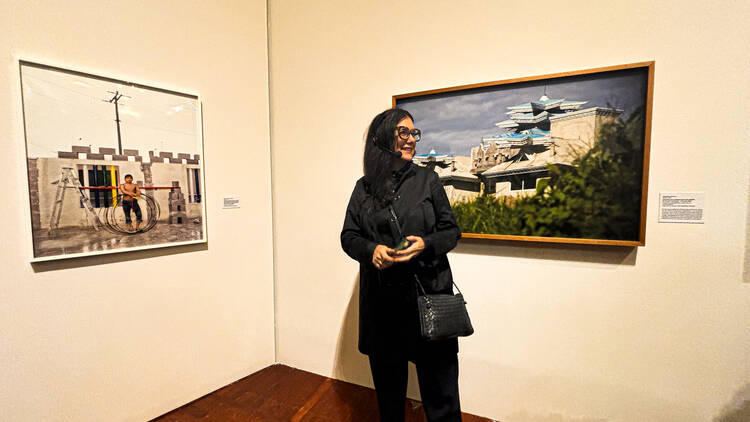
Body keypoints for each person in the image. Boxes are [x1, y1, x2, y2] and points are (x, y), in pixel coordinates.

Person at [341, 108, 463, 422]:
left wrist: (426, 244)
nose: (411, 140)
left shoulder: (427, 180)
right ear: (382, 138)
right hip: (383, 307)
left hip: (427, 300)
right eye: (403, 132)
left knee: (441, 397)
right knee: (390, 398)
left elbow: (451, 231)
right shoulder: (364, 187)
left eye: (414, 133)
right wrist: (371, 250)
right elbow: (349, 236)